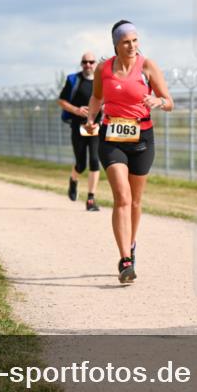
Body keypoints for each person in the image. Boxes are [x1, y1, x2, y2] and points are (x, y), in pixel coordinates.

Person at [84, 20, 174, 284]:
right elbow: (97, 98)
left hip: (142, 138)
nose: (132, 46)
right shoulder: (103, 69)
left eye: (135, 40)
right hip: (111, 137)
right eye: (126, 42)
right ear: (116, 44)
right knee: (121, 197)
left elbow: (170, 102)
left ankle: (131, 244)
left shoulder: (147, 66)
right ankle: (125, 259)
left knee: (135, 201)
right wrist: (91, 118)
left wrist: (158, 101)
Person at [59, 51, 102, 211]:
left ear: (96, 63)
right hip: (79, 126)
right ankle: (73, 179)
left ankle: (91, 199)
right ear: (81, 64)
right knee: (81, 164)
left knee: (95, 160)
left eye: (91, 62)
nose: (88, 65)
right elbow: (61, 101)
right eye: (85, 62)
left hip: (96, 127)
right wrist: (76, 110)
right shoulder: (74, 80)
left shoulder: (101, 81)